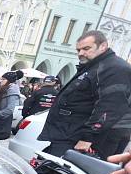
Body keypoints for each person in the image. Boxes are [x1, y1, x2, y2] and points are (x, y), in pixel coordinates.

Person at [40, 31, 131, 159]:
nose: (81, 53)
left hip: (85, 141)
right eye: (78, 50)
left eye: (86, 48)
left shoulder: (114, 68)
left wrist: (88, 137)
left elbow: (110, 106)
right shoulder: (95, 66)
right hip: (69, 135)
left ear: (103, 46)